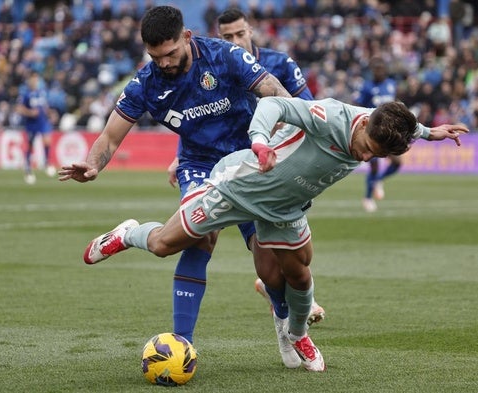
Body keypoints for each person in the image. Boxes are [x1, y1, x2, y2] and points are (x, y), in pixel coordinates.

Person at [68, 97, 467, 372]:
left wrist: (433, 132)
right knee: (161, 245)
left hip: (285, 209)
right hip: (238, 186)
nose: (364, 157)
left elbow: (407, 126)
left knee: (298, 275)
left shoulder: (383, 124)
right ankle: (127, 233)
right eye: (365, 148)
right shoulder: (331, 116)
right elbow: (273, 104)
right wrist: (259, 142)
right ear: (363, 125)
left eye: (374, 156)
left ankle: (298, 334)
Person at [58, 5, 304, 369]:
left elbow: (275, 91)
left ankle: (286, 326)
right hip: (200, 165)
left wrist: (287, 139)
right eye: (155, 56)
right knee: (199, 235)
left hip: (247, 160)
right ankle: (181, 345)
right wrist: (93, 165)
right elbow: (110, 136)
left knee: (271, 264)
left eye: (170, 53)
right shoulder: (146, 84)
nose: (164, 63)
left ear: (186, 37)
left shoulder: (224, 55)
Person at [212, 6, 327, 329]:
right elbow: (202, 116)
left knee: (290, 232)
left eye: (239, 33)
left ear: (251, 30)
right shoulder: (217, 69)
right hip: (240, 162)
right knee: (258, 237)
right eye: (226, 37)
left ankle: (276, 288)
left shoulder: (279, 63)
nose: (235, 41)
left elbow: (307, 106)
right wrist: (182, 154)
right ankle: (288, 301)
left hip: (284, 161)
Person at [353, 56, 398, 213]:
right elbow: (357, 105)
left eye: (381, 69)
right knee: (374, 165)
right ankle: (368, 198)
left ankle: (378, 181)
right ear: (372, 71)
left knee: (397, 162)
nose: (379, 72)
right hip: (372, 131)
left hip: (390, 131)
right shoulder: (366, 87)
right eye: (376, 69)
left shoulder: (392, 85)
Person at [15, 72, 56, 185]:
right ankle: (28, 169)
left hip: (42, 121)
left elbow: (45, 106)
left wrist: (50, 113)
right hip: (31, 123)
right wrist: (30, 112)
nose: (35, 82)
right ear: (29, 81)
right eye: (33, 80)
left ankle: (47, 163)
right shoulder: (25, 94)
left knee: (47, 140)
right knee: (30, 145)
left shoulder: (42, 93)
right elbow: (19, 108)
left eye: (36, 80)